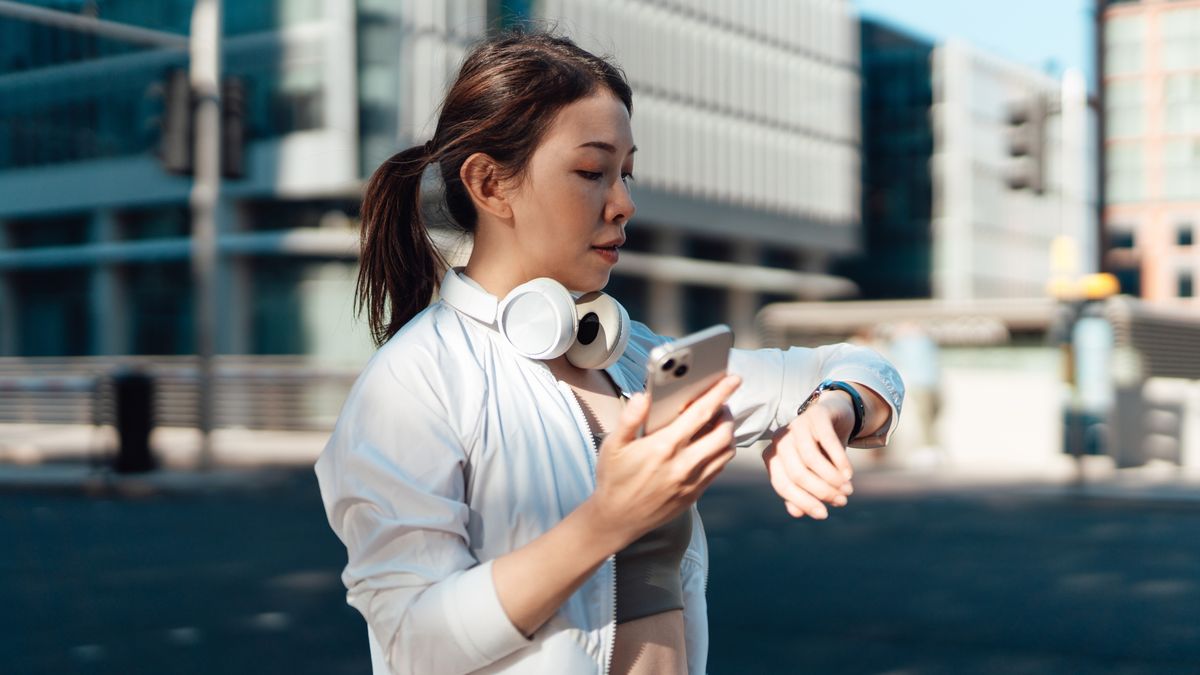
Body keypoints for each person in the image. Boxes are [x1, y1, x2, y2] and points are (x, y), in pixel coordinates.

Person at [314, 31, 905, 675]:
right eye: (592, 172)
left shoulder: (637, 360)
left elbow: (857, 367)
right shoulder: (414, 380)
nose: (624, 203)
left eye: (626, 173)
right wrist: (607, 521)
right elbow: (413, 639)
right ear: (488, 184)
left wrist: (832, 409)